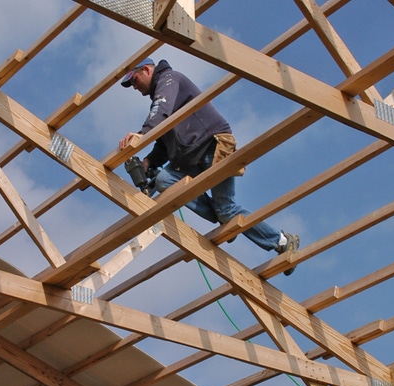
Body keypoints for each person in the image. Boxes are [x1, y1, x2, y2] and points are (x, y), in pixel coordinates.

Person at [118, 58, 299, 275]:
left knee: (227, 209)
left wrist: (142, 134)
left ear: (146, 69)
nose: (135, 87)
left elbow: (161, 110)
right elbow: (164, 141)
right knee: (164, 180)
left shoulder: (169, 80)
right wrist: (149, 162)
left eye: (134, 80)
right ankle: (226, 218)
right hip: (190, 157)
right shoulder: (162, 98)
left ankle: (281, 240)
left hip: (212, 146)